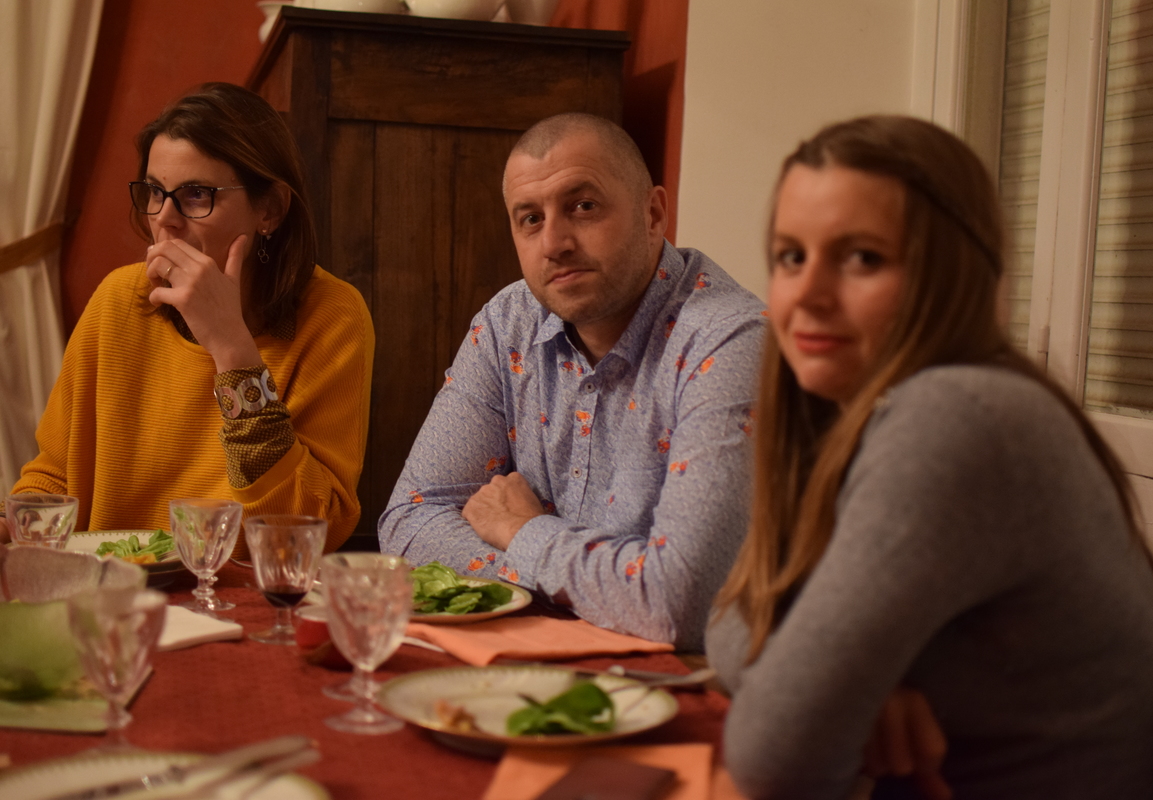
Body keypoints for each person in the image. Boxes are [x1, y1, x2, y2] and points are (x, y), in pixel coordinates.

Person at [706, 115, 1153, 799]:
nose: (807, 294)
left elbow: (773, 757)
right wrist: (854, 691)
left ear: (951, 272)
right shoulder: (850, 410)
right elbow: (730, 616)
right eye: (791, 256)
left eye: (863, 258)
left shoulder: (956, 417)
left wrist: (820, 696)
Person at [378, 113, 765, 649]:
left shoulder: (730, 341)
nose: (554, 243)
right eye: (530, 219)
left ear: (653, 214)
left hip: (695, 681)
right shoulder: (508, 323)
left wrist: (521, 531)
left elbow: (680, 600)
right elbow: (409, 518)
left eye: (583, 206)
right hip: (541, 661)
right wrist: (590, 585)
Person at [1, 83, 373, 558]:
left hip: (243, 591)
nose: (165, 219)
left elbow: (315, 524)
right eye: (155, 192)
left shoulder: (333, 314)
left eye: (196, 195)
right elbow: (56, 475)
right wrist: (12, 525)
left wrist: (232, 349)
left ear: (270, 210)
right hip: (112, 586)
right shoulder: (120, 298)